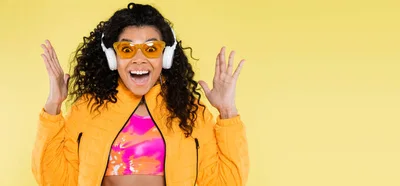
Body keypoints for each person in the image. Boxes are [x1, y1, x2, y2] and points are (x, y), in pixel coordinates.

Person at [32, 3, 249, 186]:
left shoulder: (190, 113)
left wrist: (227, 111)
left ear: (165, 57)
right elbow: (53, 179)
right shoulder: (87, 110)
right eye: (127, 50)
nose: (139, 59)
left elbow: (227, 181)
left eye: (151, 49)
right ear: (112, 57)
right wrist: (54, 105)